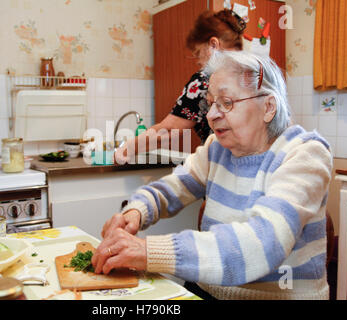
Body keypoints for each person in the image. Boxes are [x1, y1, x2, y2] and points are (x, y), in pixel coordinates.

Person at [92, 50, 333, 300]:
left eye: (226, 103)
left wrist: (148, 251)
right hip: (206, 290)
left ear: (268, 107)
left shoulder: (305, 154)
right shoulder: (216, 148)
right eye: (210, 103)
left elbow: (263, 244)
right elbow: (171, 188)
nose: (210, 115)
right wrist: (136, 211)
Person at [114, 9, 246, 164]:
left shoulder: (206, 80)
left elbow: (168, 132)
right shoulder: (253, 75)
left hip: (226, 170)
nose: (197, 61)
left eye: (198, 53)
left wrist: (127, 148)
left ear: (213, 45)